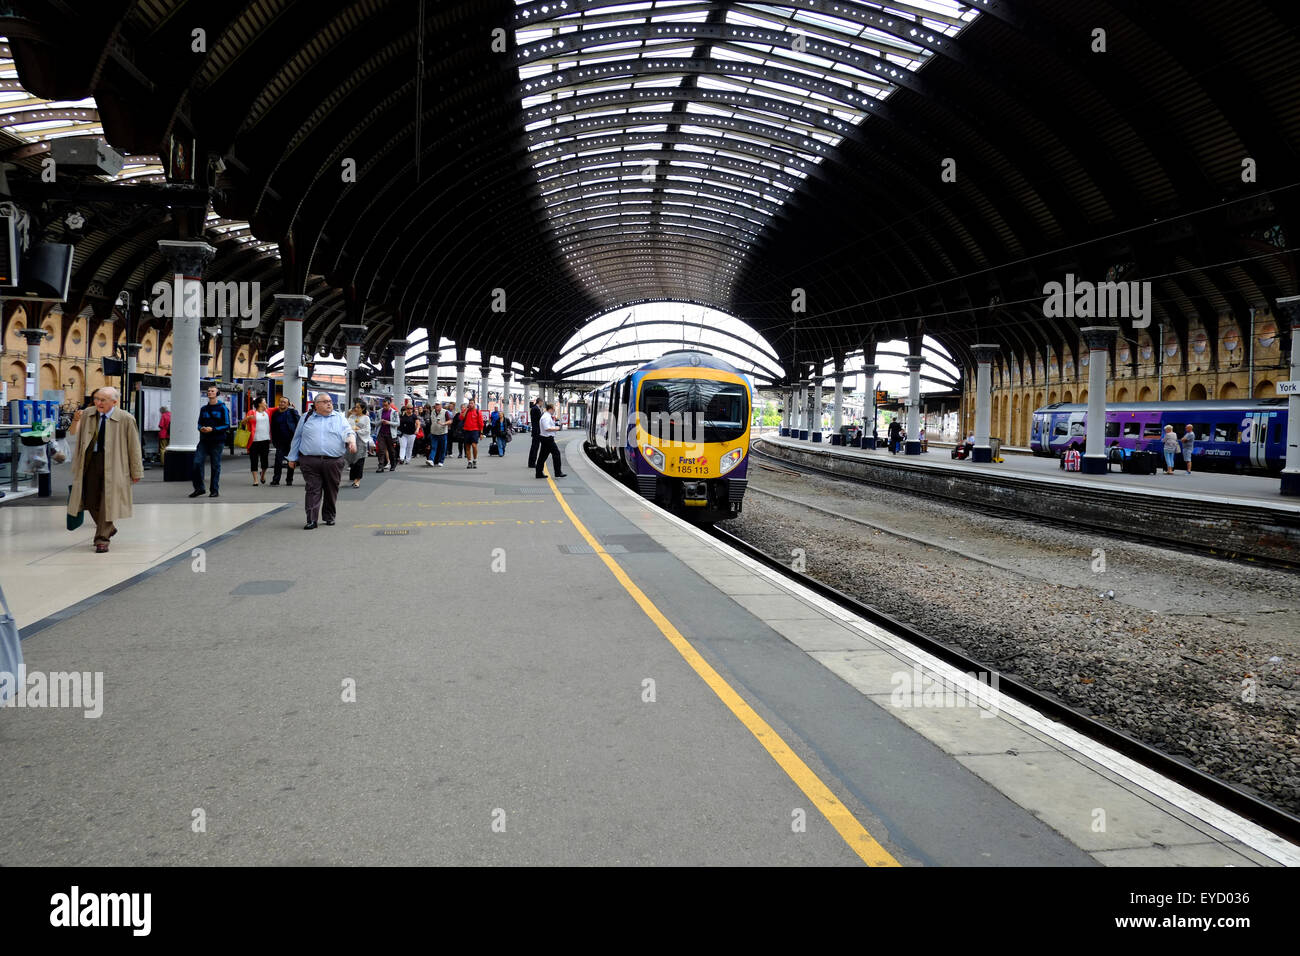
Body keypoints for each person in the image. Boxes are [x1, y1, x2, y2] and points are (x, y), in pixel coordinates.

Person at [66, 387, 143, 553]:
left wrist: (136, 471)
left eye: (103, 400)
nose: (98, 403)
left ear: (114, 402)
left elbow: (134, 447)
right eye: (96, 399)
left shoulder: (126, 419)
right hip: (90, 462)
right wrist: (75, 420)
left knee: (108, 501)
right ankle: (109, 527)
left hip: (115, 464)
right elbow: (73, 433)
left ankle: (102, 539)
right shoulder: (87, 413)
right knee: (90, 500)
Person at [286, 393, 356, 530]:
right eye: (325, 402)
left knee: (331, 490)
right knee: (313, 489)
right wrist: (292, 457)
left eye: (330, 401)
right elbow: (297, 438)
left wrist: (351, 442)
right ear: (316, 404)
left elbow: (349, 432)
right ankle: (311, 520)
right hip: (310, 461)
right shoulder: (306, 417)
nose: (329, 404)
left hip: (333, 461)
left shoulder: (339, 418)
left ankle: (329, 516)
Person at [191, 385, 229, 498]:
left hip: (217, 441)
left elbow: (226, 425)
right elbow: (199, 423)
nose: (209, 392)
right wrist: (201, 428)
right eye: (208, 391)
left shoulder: (223, 408)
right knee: (196, 463)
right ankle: (199, 488)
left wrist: (213, 429)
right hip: (204, 440)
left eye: (212, 391)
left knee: (215, 466)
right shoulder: (204, 409)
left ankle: (214, 490)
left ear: (217, 394)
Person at [269, 395, 300, 486]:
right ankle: (276, 480)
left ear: (288, 404)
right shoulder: (275, 413)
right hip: (279, 441)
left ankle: (289, 479)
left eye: (284, 402)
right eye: (281, 401)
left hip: (291, 441)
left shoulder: (292, 412)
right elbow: (273, 427)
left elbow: (299, 423)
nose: (282, 403)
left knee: (291, 460)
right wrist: (273, 440)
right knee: (278, 460)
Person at [242, 398, 272, 485]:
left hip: (265, 440)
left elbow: (278, 408)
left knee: (265, 461)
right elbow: (243, 423)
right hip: (254, 441)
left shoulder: (268, 412)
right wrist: (248, 418)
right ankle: (255, 480)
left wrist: (289, 404)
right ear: (259, 404)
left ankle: (262, 475)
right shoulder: (252, 412)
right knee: (254, 460)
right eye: (264, 402)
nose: (266, 403)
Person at [534, 402, 567, 479]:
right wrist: (556, 428)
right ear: (551, 409)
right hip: (547, 439)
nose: (554, 411)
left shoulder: (546, 416)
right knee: (556, 454)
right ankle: (558, 472)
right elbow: (547, 428)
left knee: (542, 456)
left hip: (545, 438)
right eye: (554, 410)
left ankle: (538, 473)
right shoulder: (546, 417)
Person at [345, 400, 372, 488]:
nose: (356, 409)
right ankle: (353, 477)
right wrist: (349, 415)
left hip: (361, 441)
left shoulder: (366, 418)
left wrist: (357, 430)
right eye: (355, 407)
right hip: (352, 441)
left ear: (363, 408)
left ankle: (357, 480)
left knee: (360, 460)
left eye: (358, 407)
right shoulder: (352, 416)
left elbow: (367, 430)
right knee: (352, 459)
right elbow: (346, 425)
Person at [375, 397, 400, 472]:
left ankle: (393, 464)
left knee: (391, 450)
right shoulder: (379, 412)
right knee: (381, 450)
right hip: (381, 434)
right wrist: (380, 421)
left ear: (389, 405)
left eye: (386, 405)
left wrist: (388, 422)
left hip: (390, 434)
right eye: (383, 405)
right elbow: (376, 423)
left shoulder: (394, 412)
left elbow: (398, 423)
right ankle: (381, 466)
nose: (384, 407)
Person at [425, 401, 451, 467]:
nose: (436, 406)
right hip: (434, 433)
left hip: (443, 433)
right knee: (433, 447)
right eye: (436, 405)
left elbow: (450, 421)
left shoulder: (445, 412)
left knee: (443, 448)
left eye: (438, 405)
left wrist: (444, 423)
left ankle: (441, 461)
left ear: (441, 406)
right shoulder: (433, 412)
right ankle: (431, 460)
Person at [462, 398, 484, 468]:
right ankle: (469, 461)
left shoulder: (478, 412)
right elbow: (461, 417)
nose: (470, 404)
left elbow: (481, 424)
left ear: (474, 404)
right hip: (466, 430)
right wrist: (466, 410)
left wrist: (481, 433)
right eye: (470, 403)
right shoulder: (466, 411)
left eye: (472, 403)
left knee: (474, 446)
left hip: (475, 431)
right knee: (467, 447)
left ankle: (475, 460)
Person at [528, 398, 543, 469]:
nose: (542, 404)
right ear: (539, 402)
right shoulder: (536, 409)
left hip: (535, 430)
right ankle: (532, 463)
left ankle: (531, 462)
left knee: (534, 447)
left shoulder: (533, 408)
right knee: (535, 447)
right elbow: (540, 420)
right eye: (542, 402)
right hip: (537, 431)